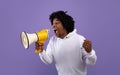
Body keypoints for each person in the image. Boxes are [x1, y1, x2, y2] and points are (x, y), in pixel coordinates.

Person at [35, 10, 97, 75]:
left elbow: (91, 62)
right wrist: (41, 51)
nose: (53, 26)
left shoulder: (80, 40)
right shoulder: (52, 40)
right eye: (52, 24)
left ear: (65, 24)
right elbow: (48, 61)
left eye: (57, 23)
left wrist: (90, 52)